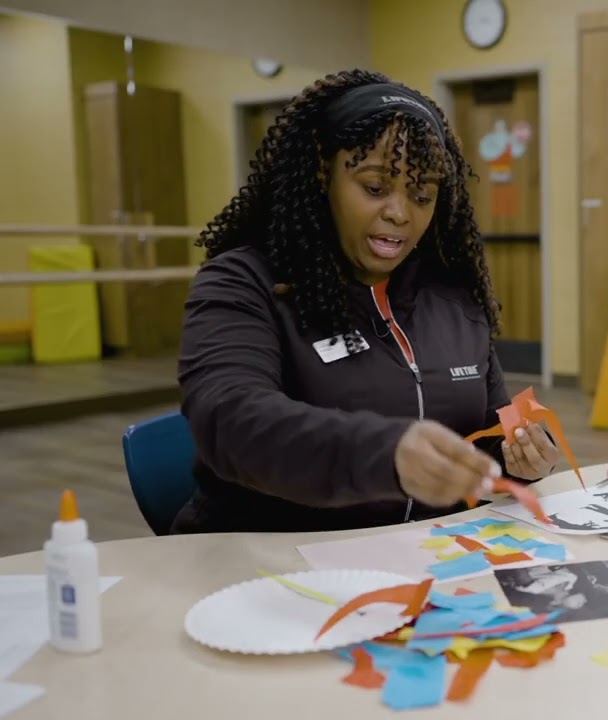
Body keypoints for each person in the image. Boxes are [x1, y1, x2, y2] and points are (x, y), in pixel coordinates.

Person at [170, 69, 561, 534]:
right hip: (271, 558)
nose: (399, 213)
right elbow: (231, 422)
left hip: (418, 556)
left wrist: (522, 455)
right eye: (375, 188)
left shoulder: (453, 297)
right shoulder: (243, 283)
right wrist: (387, 454)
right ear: (323, 174)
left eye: (422, 195)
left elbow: (489, 430)